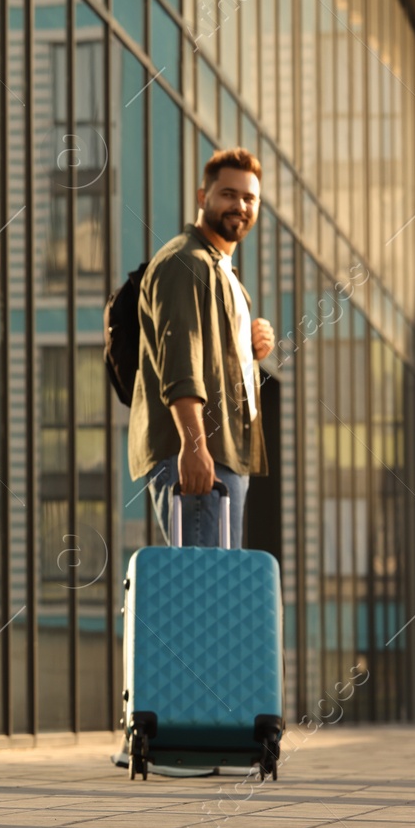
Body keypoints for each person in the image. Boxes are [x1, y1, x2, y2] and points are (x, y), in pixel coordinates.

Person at [129, 147, 274, 549]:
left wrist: (249, 345)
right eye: (228, 194)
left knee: (216, 596)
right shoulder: (185, 263)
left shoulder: (220, 271)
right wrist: (194, 447)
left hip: (223, 455)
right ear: (202, 197)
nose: (240, 206)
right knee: (203, 596)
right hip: (199, 458)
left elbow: (210, 355)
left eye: (249, 198)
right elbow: (180, 362)